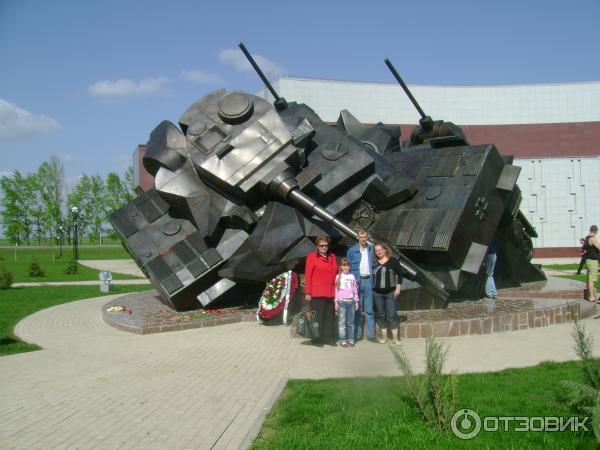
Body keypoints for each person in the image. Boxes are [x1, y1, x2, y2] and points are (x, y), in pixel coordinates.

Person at [304, 235, 338, 345]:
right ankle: (317, 339)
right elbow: (308, 275)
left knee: (329, 316)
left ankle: (329, 338)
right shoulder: (311, 256)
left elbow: (336, 272)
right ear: (317, 246)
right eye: (321, 245)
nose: (324, 247)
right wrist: (308, 292)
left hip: (330, 292)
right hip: (317, 292)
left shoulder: (332, 256)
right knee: (318, 317)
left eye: (326, 245)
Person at [346, 228, 376, 342]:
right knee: (357, 309)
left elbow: (374, 264)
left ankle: (371, 335)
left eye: (365, 237)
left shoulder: (371, 249)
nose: (363, 239)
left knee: (369, 309)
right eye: (361, 237)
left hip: (368, 281)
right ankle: (358, 334)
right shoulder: (352, 251)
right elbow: (347, 266)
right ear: (357, 237)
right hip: (357, 282)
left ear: (367, 238)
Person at [373, 243, 402, 346]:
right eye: (376, 250)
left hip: (390, 293)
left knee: (392, 315)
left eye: (380, 249)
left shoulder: (393, 260)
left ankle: (395, 338)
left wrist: (398, 288)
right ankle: (384, 337)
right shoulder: (374, 262)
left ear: (385, 250)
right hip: (377, 293)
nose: (378, 252)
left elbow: (400, 274)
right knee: (381, 315)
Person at [335, 258, 359, 348]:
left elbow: (355, 290)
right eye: (344, 265)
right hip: (342, 302)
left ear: (349, 266)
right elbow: (336, 291)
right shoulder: (338, 277)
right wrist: (336, 302)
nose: (346, 267)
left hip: (351, 302)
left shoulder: (352, 276)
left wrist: (356, 301)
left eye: (347, 265)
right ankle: (342, 340)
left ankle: (351, 339)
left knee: (350, 322)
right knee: (342, 322)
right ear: (340, 266)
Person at [583, 225, 600, 302]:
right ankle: (591, 297)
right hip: (592, 261)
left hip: (588, 260)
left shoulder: (586, 238)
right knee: (592, 279)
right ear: (596, 231)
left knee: (589, 278)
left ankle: (589, 295)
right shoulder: (592, 239)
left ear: (590, 230)